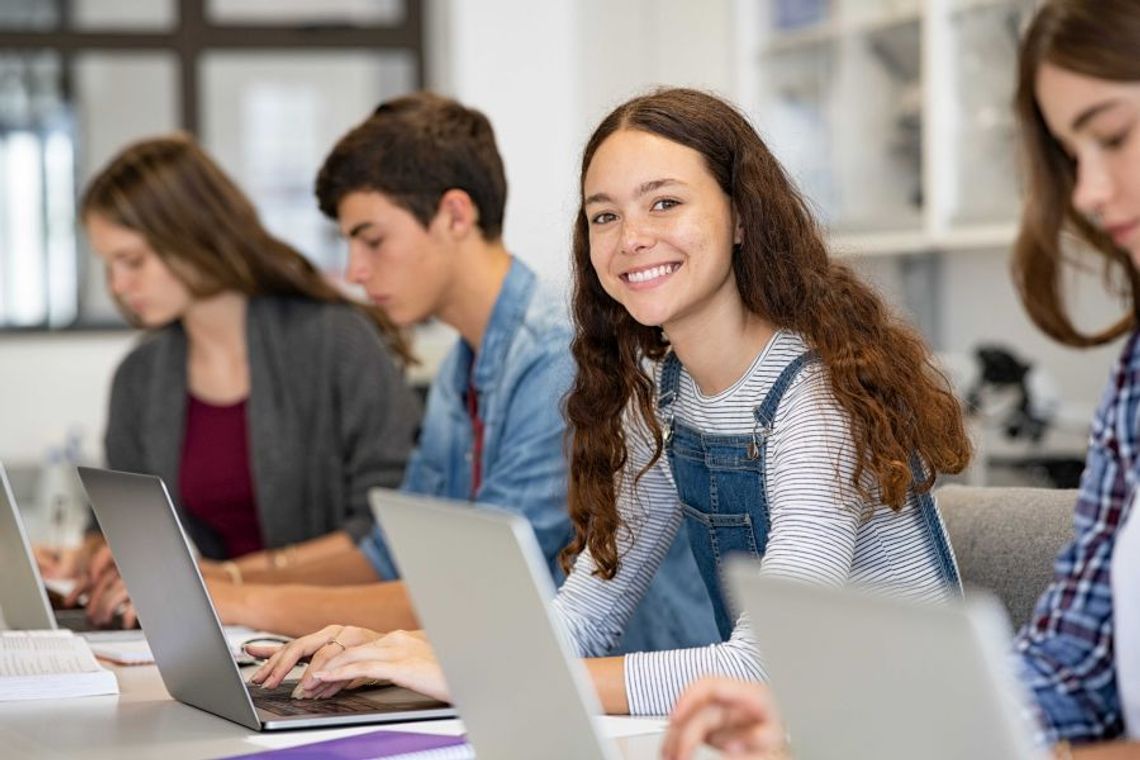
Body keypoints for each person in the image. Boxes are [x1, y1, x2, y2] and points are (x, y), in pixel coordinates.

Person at [248, 87, 971, 716]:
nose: (632, 239)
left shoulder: (812, 401)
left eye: (665, 203)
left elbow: (765, 665)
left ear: (742, 216)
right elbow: (583, 617)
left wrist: (478, 675)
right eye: (604, 216)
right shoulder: (662, 395)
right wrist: (403, 650)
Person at [664, 0, 1140, 756]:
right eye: (1070, 156)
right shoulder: (1135, 381)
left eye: (1113, 137)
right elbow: (1069, 670)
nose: (1086, 192)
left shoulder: (806, 396)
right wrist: (848, 735)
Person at [205, 92, 718, 650]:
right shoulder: (461, 367)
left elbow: (478, 589)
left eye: (372, 240)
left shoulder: (559, 356)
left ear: (454, 214)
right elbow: (390, 552)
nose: (355, 271)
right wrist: (225, 578)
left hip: (633, 698)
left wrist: (240, 599)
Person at [35, 134, 421, 627]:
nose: (117, 285)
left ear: (193, 237)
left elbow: (385, 529)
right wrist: (89, 555)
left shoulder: (335, 342)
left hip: (335, 635)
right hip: (217, 631)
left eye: (132, 261)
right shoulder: (141, 374)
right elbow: (120, 520)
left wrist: (221, 582)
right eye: (108, 264)